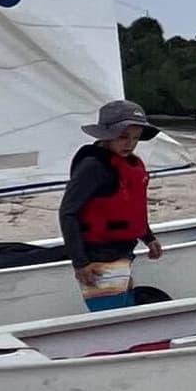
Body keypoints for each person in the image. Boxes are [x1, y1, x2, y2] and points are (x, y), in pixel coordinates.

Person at [59, 98, 167, 310]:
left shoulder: (129, 164)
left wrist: (148, 237)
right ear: (106, 135)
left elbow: (132, 209)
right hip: (98, 256)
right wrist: (80, 262)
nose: (130, 144)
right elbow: (68, 213)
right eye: (123, 137)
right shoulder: (93, 167)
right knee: (110, 312)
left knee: (124, 305)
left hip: (123, 251)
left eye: (136, 138)